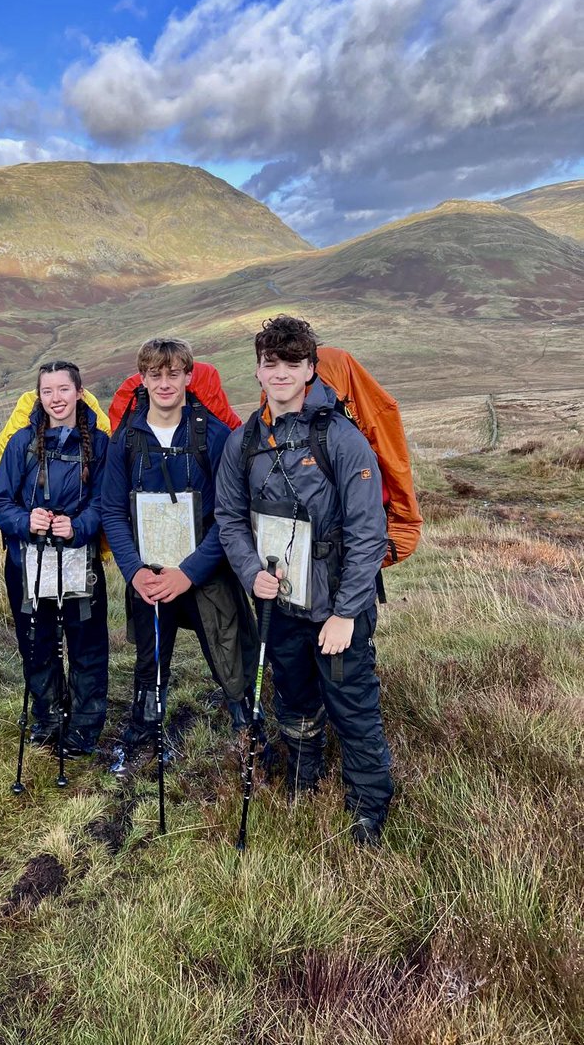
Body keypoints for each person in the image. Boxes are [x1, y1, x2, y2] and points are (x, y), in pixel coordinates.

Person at [215, 315, 393, 846]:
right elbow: (228, 516)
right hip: (279, 602)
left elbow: (367, 533)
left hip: (338, 604)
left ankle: (368, 804)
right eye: (271, 363)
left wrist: (344, 614)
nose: (281, 373)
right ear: (258, 371)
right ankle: (302, 776)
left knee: (351, 700)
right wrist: (251, 574)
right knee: (292, 697)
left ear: (310, 368)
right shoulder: (243, 441)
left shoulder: (342, 437)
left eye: (292, 363)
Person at [101, 336, 255, 776]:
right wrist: (133, 572)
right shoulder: (125, 440)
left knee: (228, 648)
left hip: (205, 569)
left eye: (173, 374)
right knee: (150, 659)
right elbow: (113, 511)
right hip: (147, 574)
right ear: (143, 380)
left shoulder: (217, 436)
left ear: (189, 377)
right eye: (155, 375)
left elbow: (231, 516)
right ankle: (144, 731)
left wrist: (188, 573)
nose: (165, 383)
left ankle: (247, 729)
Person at [0, 361, 110, 757]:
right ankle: (47, 720)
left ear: (78, 391)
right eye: (47, 392)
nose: (56, 399)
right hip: (28, 564)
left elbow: (105, 504)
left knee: (86, 645)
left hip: (81, 563)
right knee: (38, 644)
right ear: (37, 397)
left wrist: (78, 526)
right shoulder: (21, 443)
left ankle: (84, 728)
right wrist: (27, 521)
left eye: (63, 390)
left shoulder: (100, 445)